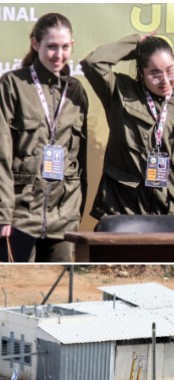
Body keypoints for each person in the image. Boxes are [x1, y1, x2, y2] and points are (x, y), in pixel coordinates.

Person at [80, 32, 174, 222]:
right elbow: (93, 63)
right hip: (125, 210)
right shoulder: (120, 92)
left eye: (170, 70)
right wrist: (136, 43)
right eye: (155, 74)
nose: (165, 81)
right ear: (141, 73)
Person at [0, 13, 88, 262]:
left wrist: (76, 213)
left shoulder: (76, 92)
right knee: (13, 290)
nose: (58, 55)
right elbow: (2, 156)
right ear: (36, 44)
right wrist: (3, 213)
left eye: (64, 47)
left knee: (57, 287)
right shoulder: (12, 85)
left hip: (64, 218)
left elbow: (80, 160)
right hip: (20, 216)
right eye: (51, 46)